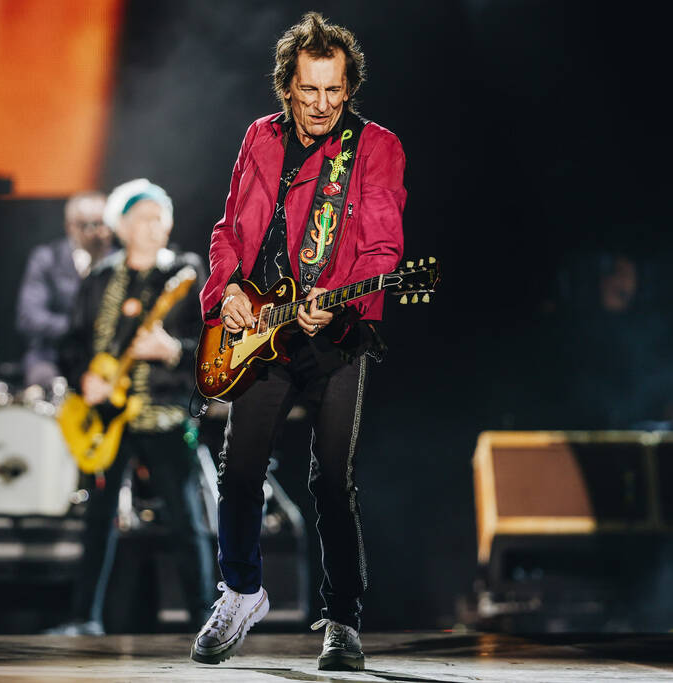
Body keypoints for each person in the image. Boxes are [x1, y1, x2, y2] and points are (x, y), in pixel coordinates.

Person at [190, 12, 406, 671]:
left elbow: (383, 247)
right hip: (261, 326)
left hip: (335, 331)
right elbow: (229, 228)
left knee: (331, 481)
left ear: (350, 88)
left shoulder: (375, 147)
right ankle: (240, 591)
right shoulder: (259, 139)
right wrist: (225, 287)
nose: (321, 105)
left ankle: (342, 620)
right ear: (287, 86)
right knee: (239, 469)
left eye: (334, 91)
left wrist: (333, 298)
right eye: (309, 91)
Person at [55, 179, 215, 635]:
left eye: (160, 215)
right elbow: (72, 343)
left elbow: (213, 342)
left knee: (185, 517)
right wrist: (83, 376)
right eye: (142, 217)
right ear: (120, 226)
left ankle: (204, 620)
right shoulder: (100, 278)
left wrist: (172, 350)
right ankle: (84, 617)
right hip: (108, 418)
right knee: (98, 517)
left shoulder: (184, 273)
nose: (154, 225)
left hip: (164, 412)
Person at [16, 191, 114, 390]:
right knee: (44, 382)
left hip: (104, 360)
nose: (101, 233)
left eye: (106, 225)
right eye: (92, 225)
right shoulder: (47, 259)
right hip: (53, 357)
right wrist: (79, 329)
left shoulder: (120, 263)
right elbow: (29, 317)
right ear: (71, 227)